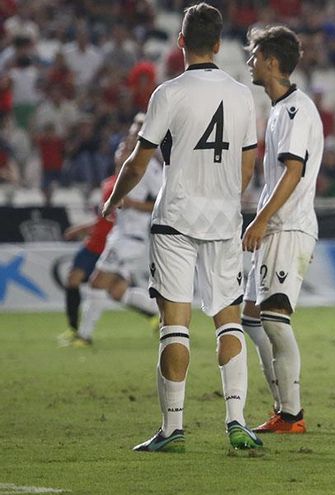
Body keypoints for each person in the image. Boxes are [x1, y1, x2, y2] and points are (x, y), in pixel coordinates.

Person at [101, 3, 261, 453]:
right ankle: (237, 421)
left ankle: (173, 428)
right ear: (219, 44)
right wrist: (223, 197)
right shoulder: (242, 95)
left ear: (181, 42)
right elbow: (248, 165)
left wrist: (114, 199)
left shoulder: (168, 93)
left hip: (174, 220)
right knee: (228, 321)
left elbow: (138, 162)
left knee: (175, 324)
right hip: (223, 222)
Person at [241, 25, 323, 434]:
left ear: (272, 62)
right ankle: (282, 406)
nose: (249, 62)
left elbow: (293, 171)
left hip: (288, 227)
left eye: (255, 56)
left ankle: (292, 415)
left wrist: (261, 219)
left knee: (273, 319)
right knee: (251, 318)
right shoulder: (280, 109)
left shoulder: (294, 110)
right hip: (277, 227)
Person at [72, 113, 163, 347]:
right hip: (121, 235)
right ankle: (163, 312)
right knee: (117, 292)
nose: (132, 134)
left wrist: (133, 204)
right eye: (132, 129)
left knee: (96, 282)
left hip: (131, 238)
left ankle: (84, 336)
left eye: (137, 130)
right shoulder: (126, 161)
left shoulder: (150, 166)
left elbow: (163, 201)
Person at [57, 177, 115, 346]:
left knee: (117, 290)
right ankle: (74, 329)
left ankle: (152, 315)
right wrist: (82, 229)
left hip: (111, 245)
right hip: (93, 244)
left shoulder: (132, 184)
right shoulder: (108, 183)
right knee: (72, 280)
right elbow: (102, 219)